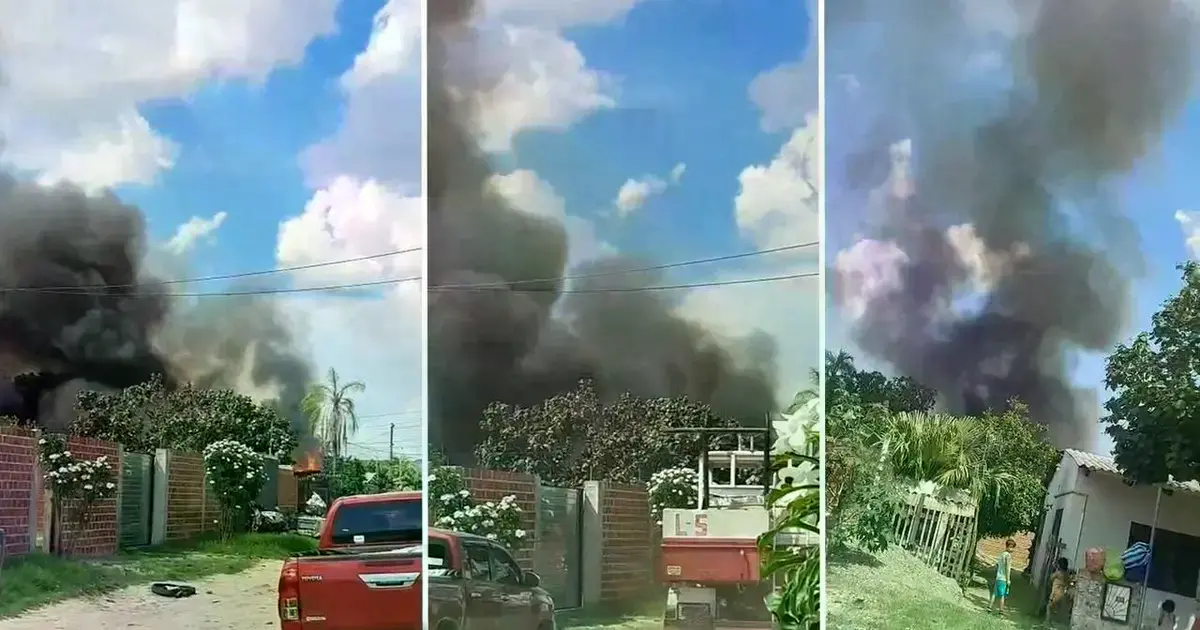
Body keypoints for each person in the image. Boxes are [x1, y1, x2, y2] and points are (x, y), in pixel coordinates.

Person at [991, 538, 1016, 613]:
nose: (1013, 550)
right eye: (1012, 547)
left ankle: (989, 606)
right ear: (1009, 546)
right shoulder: (1008, 556)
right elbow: (1007, 568)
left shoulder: (1001, 554)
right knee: (1002, 595)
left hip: (998, 577)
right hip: (1003, 578)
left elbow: (998, 565)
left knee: (994, 593)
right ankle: (1001, 610)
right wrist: (1008, 579)